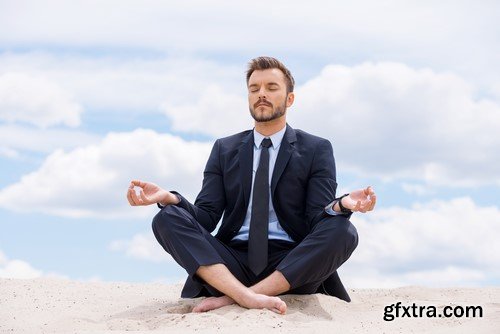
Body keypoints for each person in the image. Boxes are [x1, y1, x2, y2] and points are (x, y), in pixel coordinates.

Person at [127, 56, 376, 315]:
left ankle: (237, 297)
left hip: (292, 264)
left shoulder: (316, 149)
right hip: (229, 264)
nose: (261, 94)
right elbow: (207, 216)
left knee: (343, 230)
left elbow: (316, 218)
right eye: (254, 89)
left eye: (271, 87)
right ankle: (244, 295)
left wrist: (342, 205)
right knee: (166, 218)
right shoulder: (225, 149)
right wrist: (170, 198)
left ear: (290, 99)